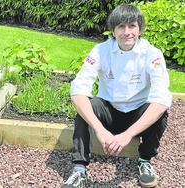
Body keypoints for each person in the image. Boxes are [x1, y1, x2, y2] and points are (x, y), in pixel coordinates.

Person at [61, 3, 172, 188]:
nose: (127, 32)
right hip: (109, 112)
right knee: (86, 106)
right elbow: (78, 89)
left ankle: (145, 160)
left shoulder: (152, 54)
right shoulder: (100, 51)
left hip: (137, 114)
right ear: (113, 31)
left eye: (132, 26)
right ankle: (79, 169)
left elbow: (162, 98)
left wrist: (127, 135)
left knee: (161, 112)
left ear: (140, 29)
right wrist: (100, 130)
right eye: (121, 26)